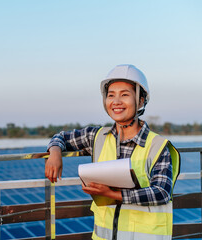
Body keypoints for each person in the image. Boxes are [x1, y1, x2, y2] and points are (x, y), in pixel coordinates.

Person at [45, 64, 180, 240]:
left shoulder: (158, 145)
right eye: (111, 95)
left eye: (125, 95)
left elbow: (161, 192)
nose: (116, 101)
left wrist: (112, 194)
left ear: (140, 100)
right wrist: (55, 153)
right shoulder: (96, 136)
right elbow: (60, 137)